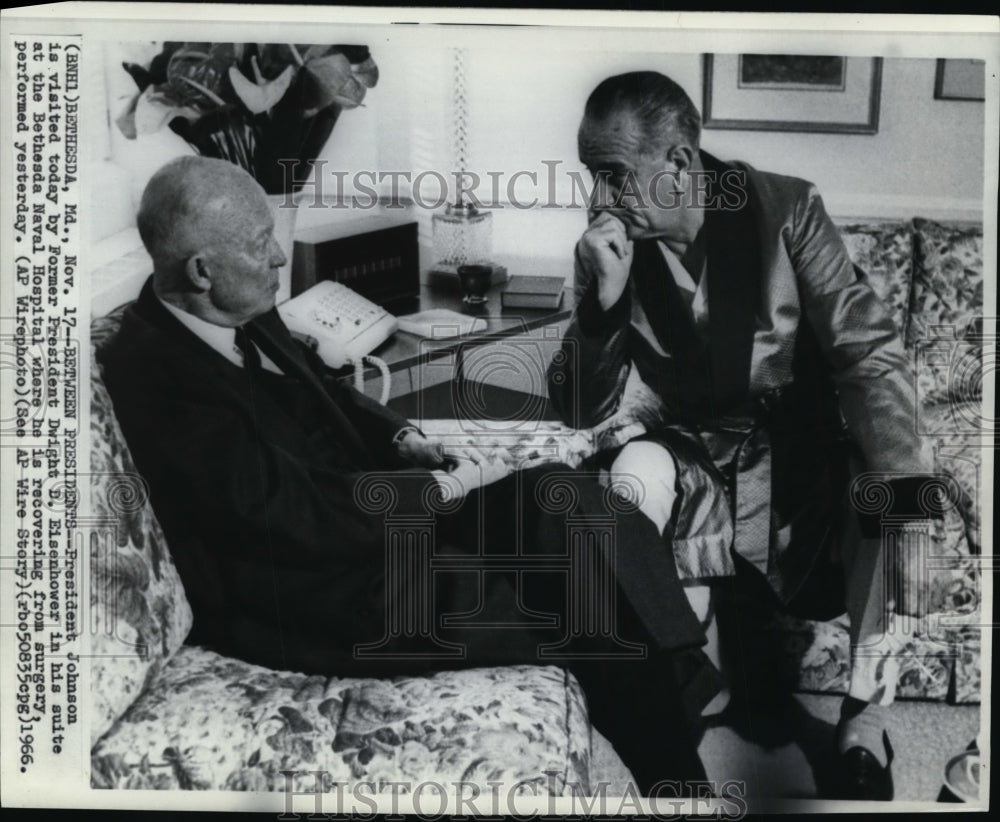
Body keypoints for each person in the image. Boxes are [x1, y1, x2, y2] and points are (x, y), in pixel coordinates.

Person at [98, 155, 718, 794]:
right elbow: (287, 511)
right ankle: (683, 778)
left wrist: (405, 437)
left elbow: (332, 393)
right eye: (262, 247)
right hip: (315, 590)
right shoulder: (152, 376)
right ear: (201, 270)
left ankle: (677, 665)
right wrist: (444, 489)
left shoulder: (241, 304)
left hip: (371, 523)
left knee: (558, 492)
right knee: (579, 609)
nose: (281, 260)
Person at [547, 72, 937, 801]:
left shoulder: (786, 208)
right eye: (590, 177)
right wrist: (599, 311)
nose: (599, 200)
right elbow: (576, 409)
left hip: (803, 449)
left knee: (893, 498)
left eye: (614, 177)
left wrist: (905, 479)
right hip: (697, 447)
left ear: (682, 163)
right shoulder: (606, 247)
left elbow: (868, 352)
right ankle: (669, 685)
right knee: (628, 472)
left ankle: (865, 717)